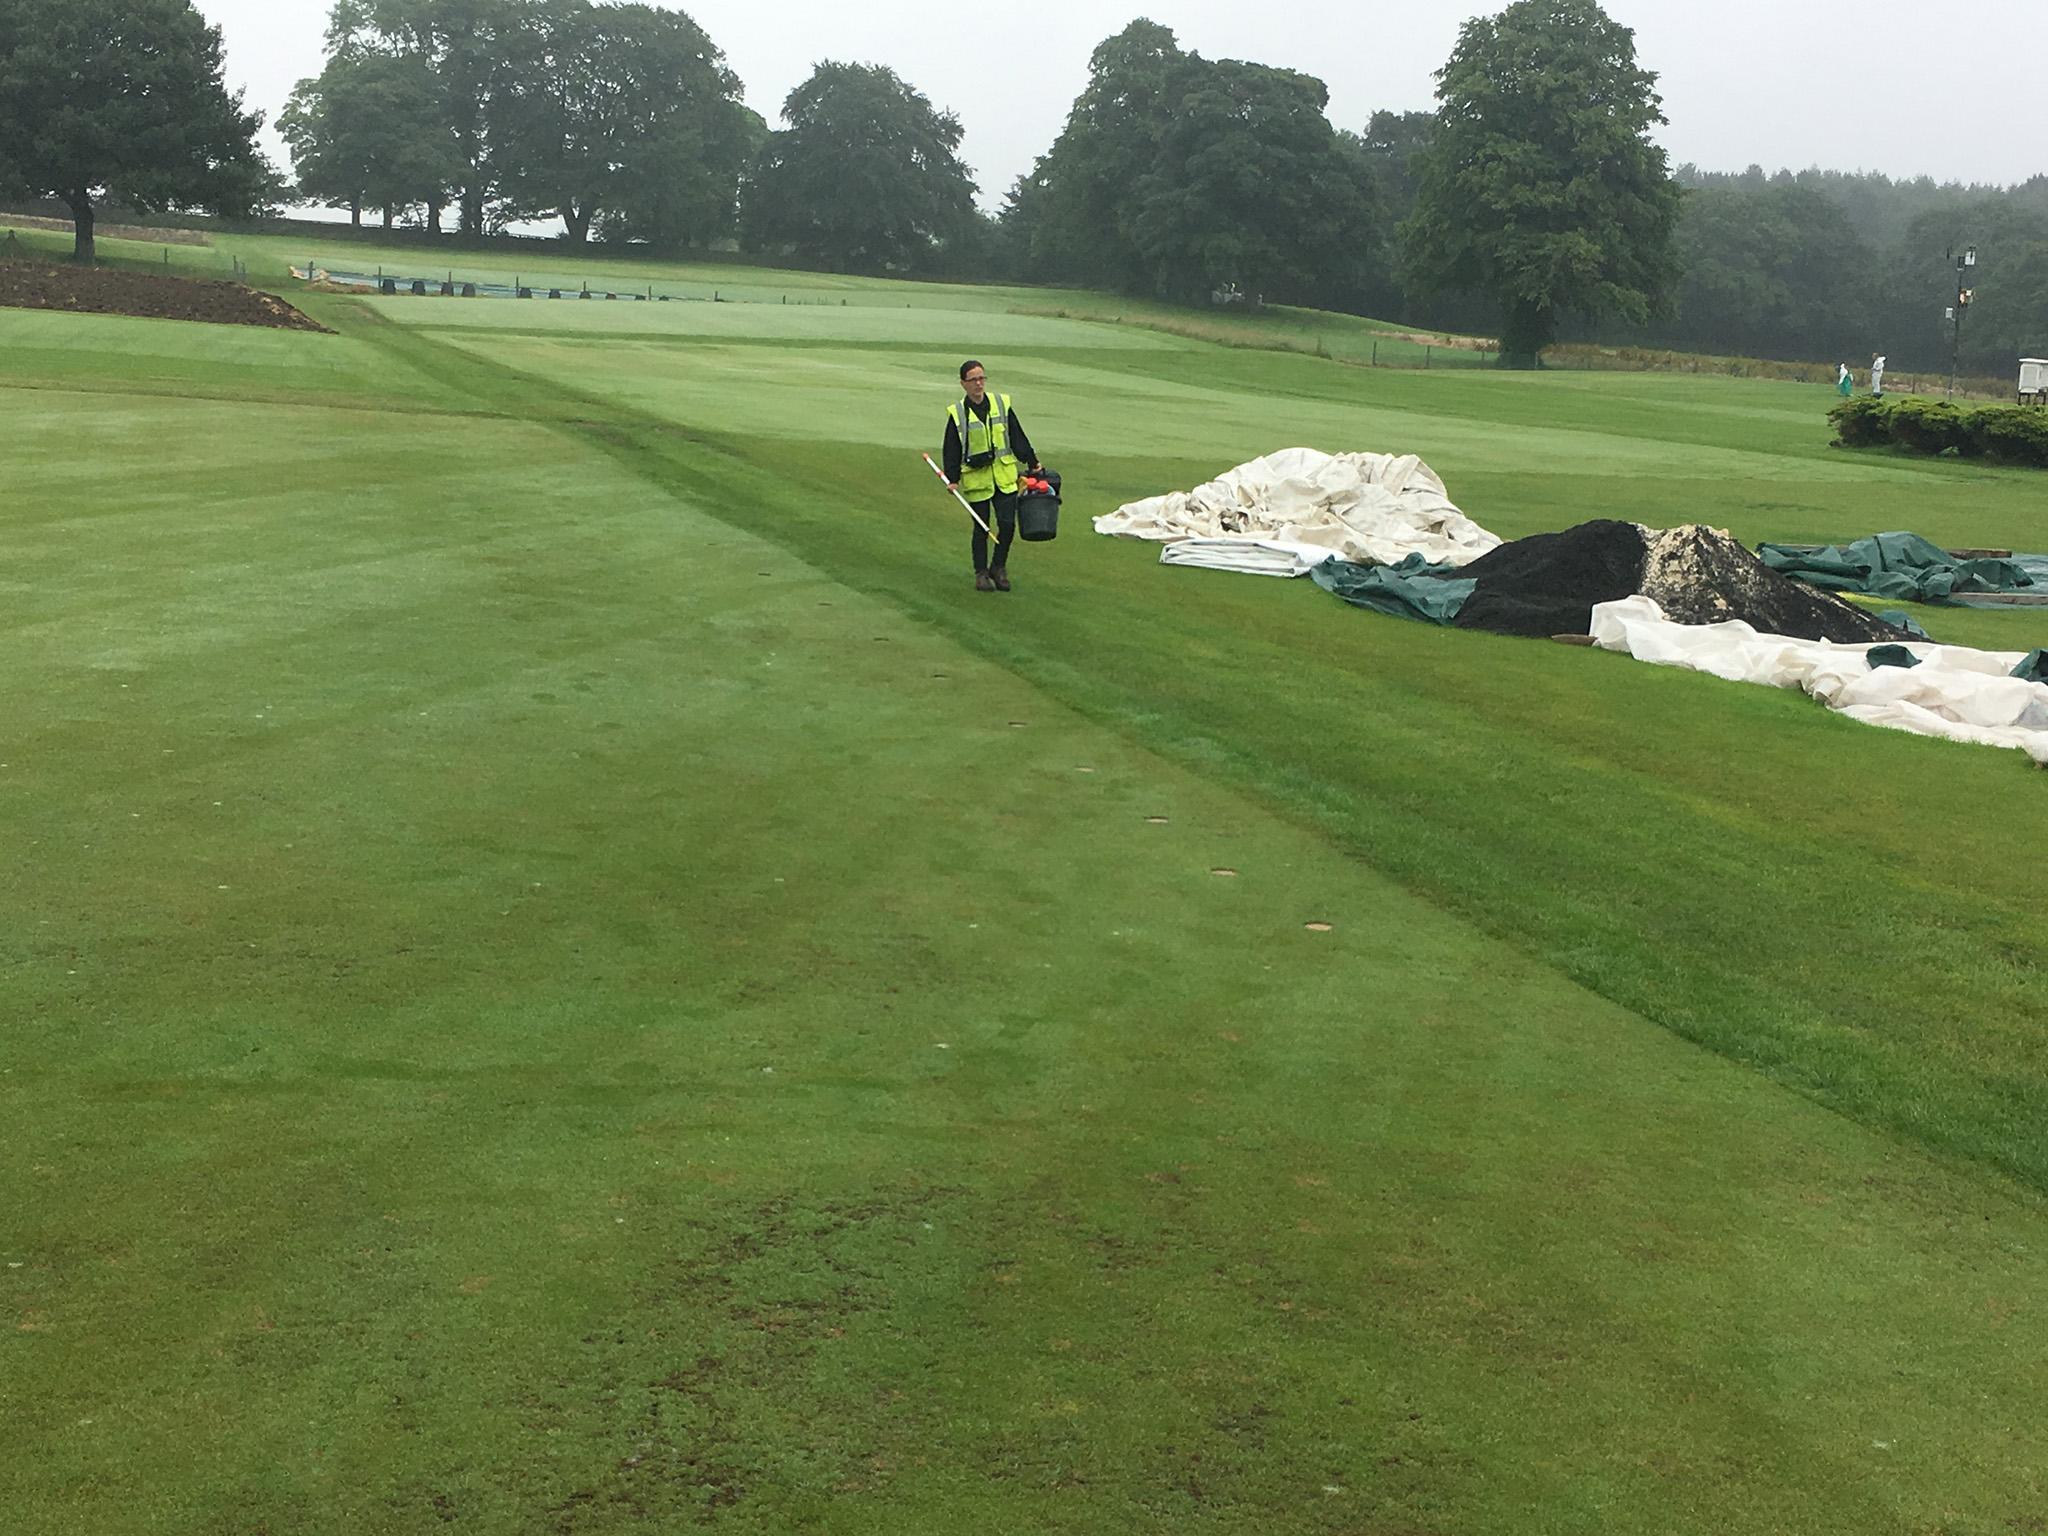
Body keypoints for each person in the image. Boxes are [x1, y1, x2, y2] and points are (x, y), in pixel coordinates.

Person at [942, 359, 1040, 592]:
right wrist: (952, 478)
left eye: (981, 378)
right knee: (981, 528)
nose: (978, 383)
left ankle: (998, 566)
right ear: (963, 384)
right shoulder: (958, 413)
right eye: (973, 380)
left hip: (1004, 477)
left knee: (1007, 525)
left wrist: (1032, 460)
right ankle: (981, 573)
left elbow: (1017, 435)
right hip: (978, 480)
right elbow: (952, 447)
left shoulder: (1000, 404)